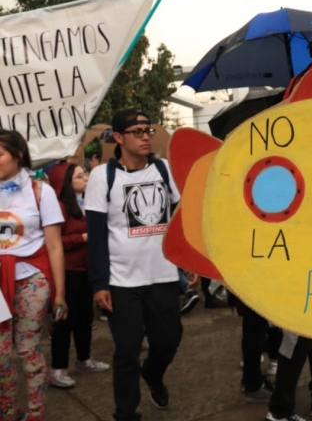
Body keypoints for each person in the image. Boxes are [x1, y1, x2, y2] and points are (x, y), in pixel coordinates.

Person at [86, 108, 192, 421]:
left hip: (162, 274)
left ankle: (154, 374)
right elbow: (96, 234)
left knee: (169, 339)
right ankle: (126, 412)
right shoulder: (101, 176)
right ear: (119, 138)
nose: (146, 137)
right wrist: (99, 283)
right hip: (121, 281)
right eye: (137, 132)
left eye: (148, 130)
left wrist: (189, 261)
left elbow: (181, 218)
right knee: (128, 350)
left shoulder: (164, 170)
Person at [0, 129, 68, 421]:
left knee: (28, 349)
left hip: (31, 278)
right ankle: (8, 412)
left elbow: (54, 245)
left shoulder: (41, 191)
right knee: (1, 356)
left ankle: (36, 413)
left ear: (17, 155)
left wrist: (60, 295)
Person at [47, 162, 109, 388]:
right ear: (65, 183)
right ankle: (57, 368)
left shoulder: (87, 202)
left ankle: (84, 359)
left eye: (85, 174)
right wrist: (83, 238)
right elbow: (54, 243)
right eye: (80, 176)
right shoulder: (58, 207)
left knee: (85, 318)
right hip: (67, 271)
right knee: (64, 320)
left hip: (86, 269)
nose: (86, 178)